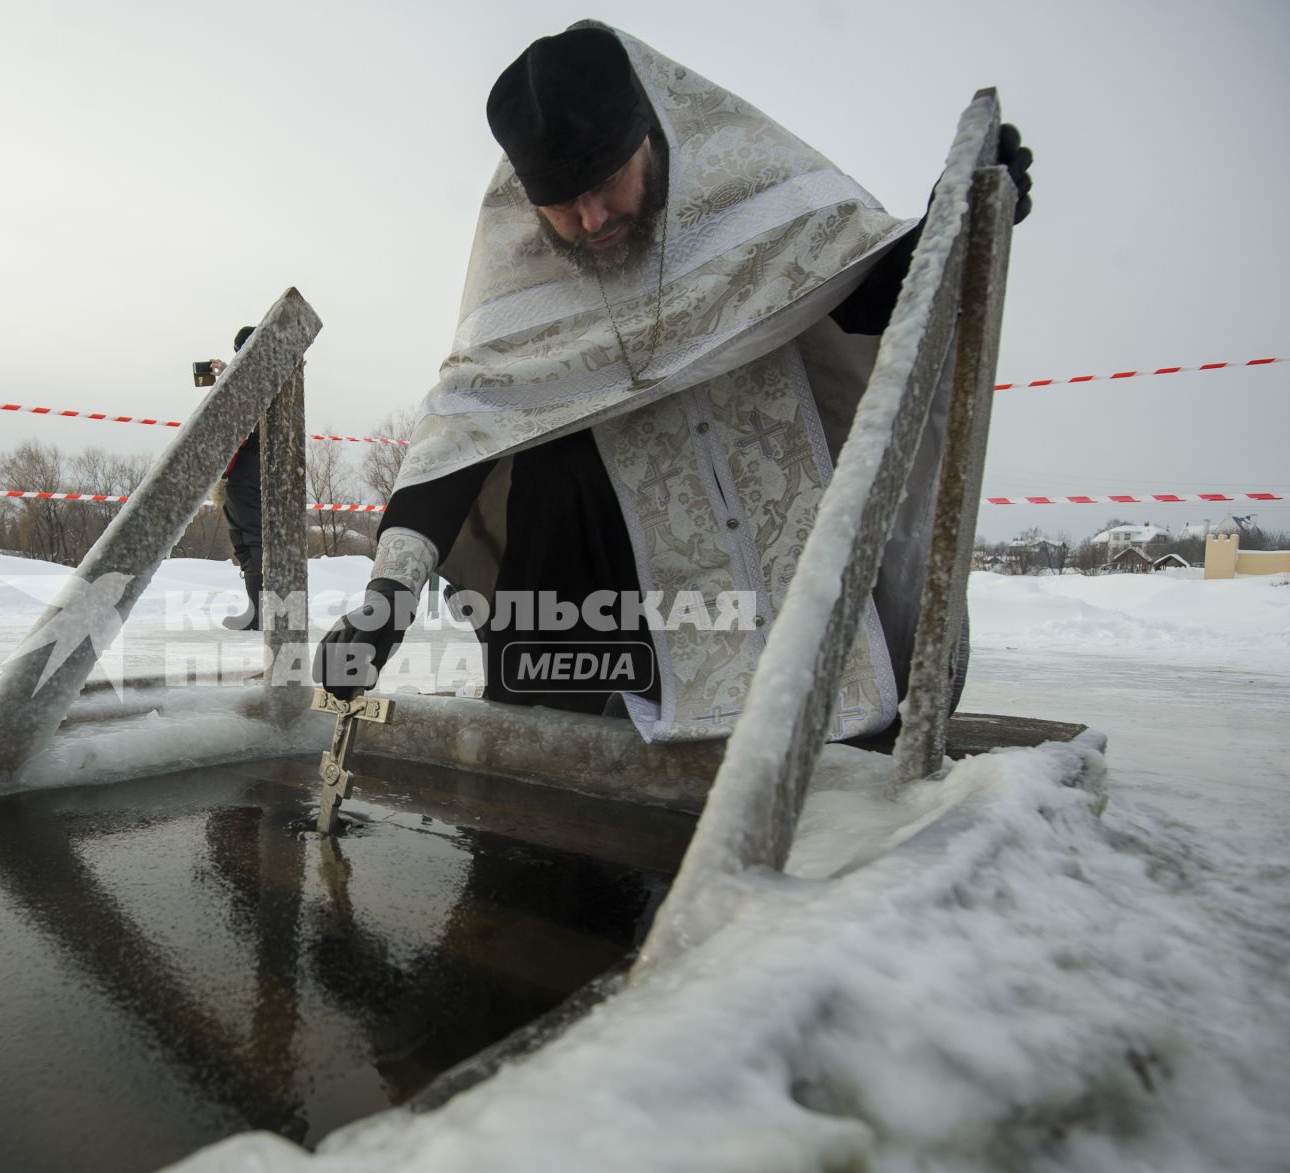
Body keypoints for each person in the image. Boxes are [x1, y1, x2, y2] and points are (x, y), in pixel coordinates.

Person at [315, 22, 1030, 741]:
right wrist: (388, 598)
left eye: (604, 183)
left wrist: (954, 219)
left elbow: (866, 292)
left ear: (648, 138)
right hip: (604, 592)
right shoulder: (522, 277)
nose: (590, 219)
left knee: (823, 760)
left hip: (770, 534)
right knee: (547, 484)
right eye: (561, 204)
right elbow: (459, 438)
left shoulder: (748, 198)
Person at [207, 324, 263, 630]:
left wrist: (230, 378)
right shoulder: (257, 374)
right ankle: (258, 611)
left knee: (252, 536)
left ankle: (261, 614)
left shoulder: (263, 374)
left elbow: (249, 407)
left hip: (249, 464)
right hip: (241, 466)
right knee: (243, 537)